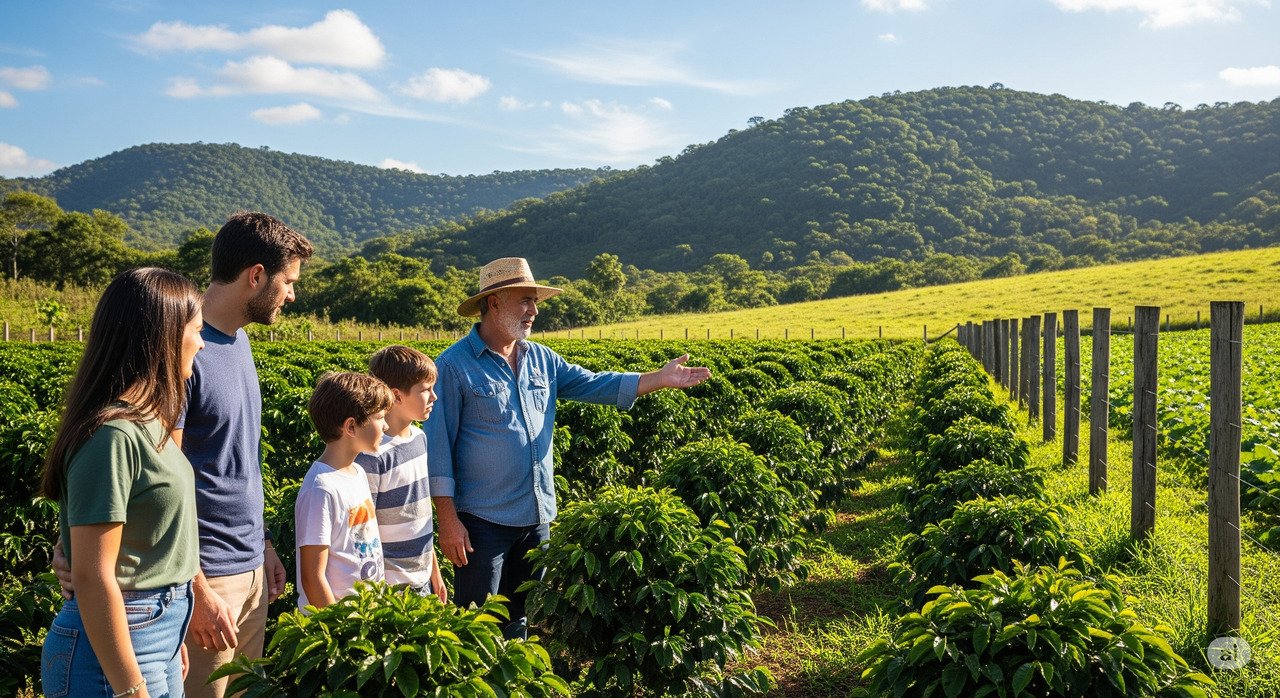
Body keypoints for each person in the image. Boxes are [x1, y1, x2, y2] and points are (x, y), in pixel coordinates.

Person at [425, 257, 711, 639]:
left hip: (536, 516)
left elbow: (595, 383)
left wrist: (658, 378)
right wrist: (448, 521)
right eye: (525, 300)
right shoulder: (455, 366)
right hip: (481, 523)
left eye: (535, 302)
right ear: (494, 302)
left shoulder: (541, 358)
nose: (534, 311)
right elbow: (438, 449)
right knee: (476, 623)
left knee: (519, 617)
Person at [40, 267, 205, 698]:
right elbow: (94, 576)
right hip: (117, 642)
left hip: (156, 631)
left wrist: (171, 636)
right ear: (164, 336)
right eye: (196, 330)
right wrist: (131, 686)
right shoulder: (113, 435)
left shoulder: (151, 422)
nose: (202, 343)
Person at [295, 372, 393, 610]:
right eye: (380, 417)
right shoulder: (322, 488)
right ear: (351, 426)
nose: (386, 425)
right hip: (339, 623)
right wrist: (336, 631)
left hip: (364, 616)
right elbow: (313, 577)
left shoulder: (357, 473)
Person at [356, 345, 447, 601]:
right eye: (425, 390)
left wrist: (434, 573)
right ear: (396, 396)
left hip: (422, 578)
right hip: (389, 587)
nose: (434, 397)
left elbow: (421, 517)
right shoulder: (372, 455)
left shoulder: (419, 438)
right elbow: (364, 530)